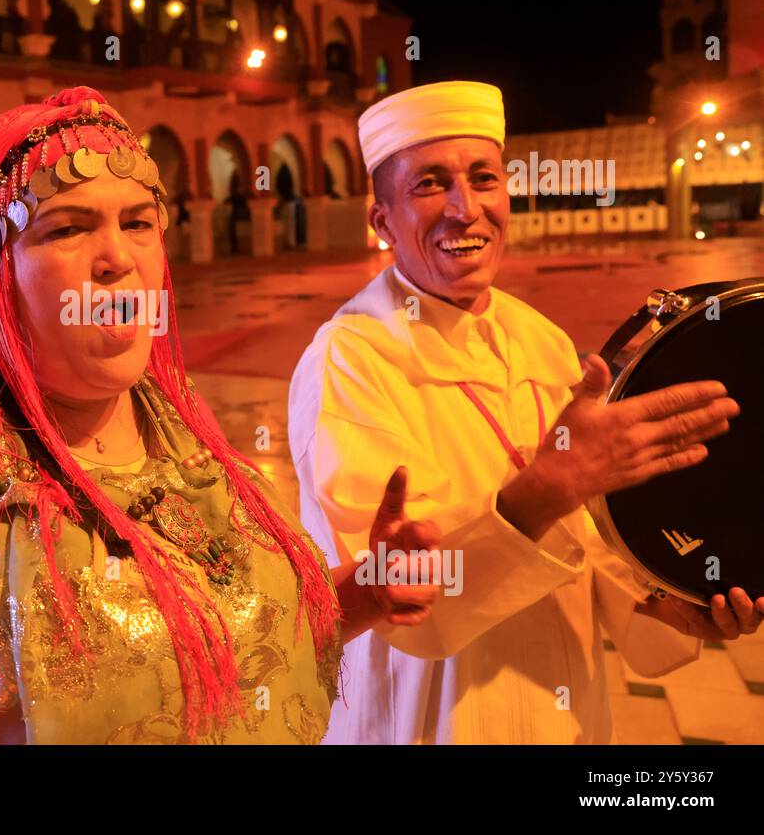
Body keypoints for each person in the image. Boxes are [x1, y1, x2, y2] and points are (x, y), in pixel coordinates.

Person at [0, 85, 439, 744]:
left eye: (138, 223)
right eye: (66, 229)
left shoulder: (176, 426)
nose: (118, 258)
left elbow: (222, 655)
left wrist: (363, 595)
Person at [288, 80, 764, 745]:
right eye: (430, 184)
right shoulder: (349, 360)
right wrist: (549, 487)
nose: (466, 207)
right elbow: (401, 603)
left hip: (564, 718)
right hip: (425, 723)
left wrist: (671, 607)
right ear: (383, 221)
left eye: (485, 178)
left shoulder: (540, 341)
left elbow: (588, 549)